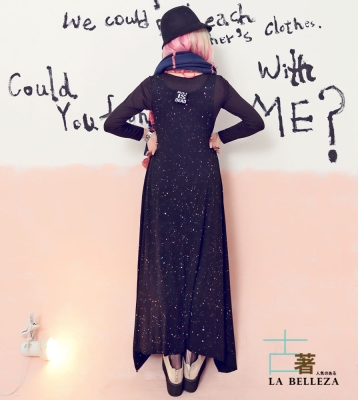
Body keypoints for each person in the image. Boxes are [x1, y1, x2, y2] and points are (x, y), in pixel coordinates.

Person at [104, 6, 265, 397]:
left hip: (162, 182)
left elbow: (112, 123)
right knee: (202, 264)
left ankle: (173, 364)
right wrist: (220, 138)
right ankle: (195, 357)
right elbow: (254, 121)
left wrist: (147, 136)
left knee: (165, 267)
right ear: (196, 41)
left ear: (170, 45)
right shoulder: (216, 86)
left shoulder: (152, 86)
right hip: (203, 181)